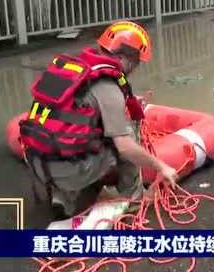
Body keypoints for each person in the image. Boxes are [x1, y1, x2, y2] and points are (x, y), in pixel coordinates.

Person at [19, 21, 178, 219]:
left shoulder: (75, 69)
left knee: (75, 135)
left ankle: (62, 196)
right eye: (136, 62)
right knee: (124, 140)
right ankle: (135, 199)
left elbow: (75, 109)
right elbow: (125, 148)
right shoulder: (108, 87)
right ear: (123, 57)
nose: (136, 68)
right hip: (67, 172)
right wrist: (161, 166)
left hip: (37, 164)